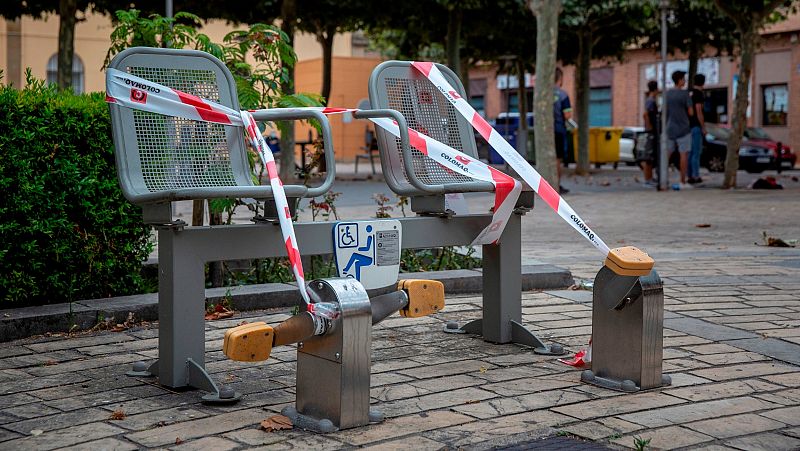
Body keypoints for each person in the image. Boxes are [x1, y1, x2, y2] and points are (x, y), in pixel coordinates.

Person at [665, 70, 694, 189]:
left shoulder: (668, 94)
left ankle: (663, 178)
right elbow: (691, 112)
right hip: (683, 128)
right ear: (680, 80)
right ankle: (682, 181)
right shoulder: (685, 94)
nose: (685, 81)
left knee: (668, 154)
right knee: (684, 155)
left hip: (670, 128)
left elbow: (665, 111)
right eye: (684, 79)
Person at [553, 68, 572, 194]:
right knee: (557, 160)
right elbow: (567, 115)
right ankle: (556, 185)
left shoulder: (542, 94)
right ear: (560, 79)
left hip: (546, 131)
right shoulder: (563, 95)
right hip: (559, 130)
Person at [640, 80, 660, 187]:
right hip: (651, 131)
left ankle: (650, 178)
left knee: (651, 157)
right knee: (649, 157)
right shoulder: (651, 101)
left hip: (652, 131)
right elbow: (645, 114)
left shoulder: (651, 100)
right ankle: (647, 179)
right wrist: (649, 127)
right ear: (656, 89)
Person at [689, 74, 706, 184]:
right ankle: (695, 176)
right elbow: (698, 110)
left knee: (690, 152)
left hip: (687, 126)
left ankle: (689, 175)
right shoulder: (698, 94)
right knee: (696, 152)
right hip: (695, 126)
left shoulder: (689, 93)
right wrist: (703, 126)